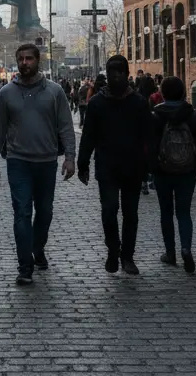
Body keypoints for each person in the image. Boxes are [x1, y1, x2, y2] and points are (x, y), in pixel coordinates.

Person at [0, 44, 77, 285]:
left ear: (38, 61)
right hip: (18, 162)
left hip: (47, 161)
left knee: (45, 213)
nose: (25, 63)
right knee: (22, 213)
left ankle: (38, 248)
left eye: (29, 58)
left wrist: (70, 157)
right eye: (21, 59)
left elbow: (66, 126)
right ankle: (25, 265)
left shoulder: (55, 92)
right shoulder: (6, 93)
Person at [78, 55, 153, 275]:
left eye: (120, 72)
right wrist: (83, 164)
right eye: (113, 73)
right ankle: (113, 248)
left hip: (133, 166)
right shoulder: (97, 103)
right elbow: (88, 136)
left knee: (131, 214)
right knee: (109, 211)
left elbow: (148, 136)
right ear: (108, 75)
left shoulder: (138, 103)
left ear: (127, 74)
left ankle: (127, 256)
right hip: (107, 166)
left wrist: (150, 164)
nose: (117, 76)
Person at [146, 76, 196, 273]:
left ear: (162, 93)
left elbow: (151, 145)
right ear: (183, 92)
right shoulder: (190, 115)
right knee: (184, 212)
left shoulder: (156, 115)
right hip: (187, 169)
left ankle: (170, 252)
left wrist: (150, 169)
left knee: (166, 212)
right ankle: (186, 248)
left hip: (163, 170)